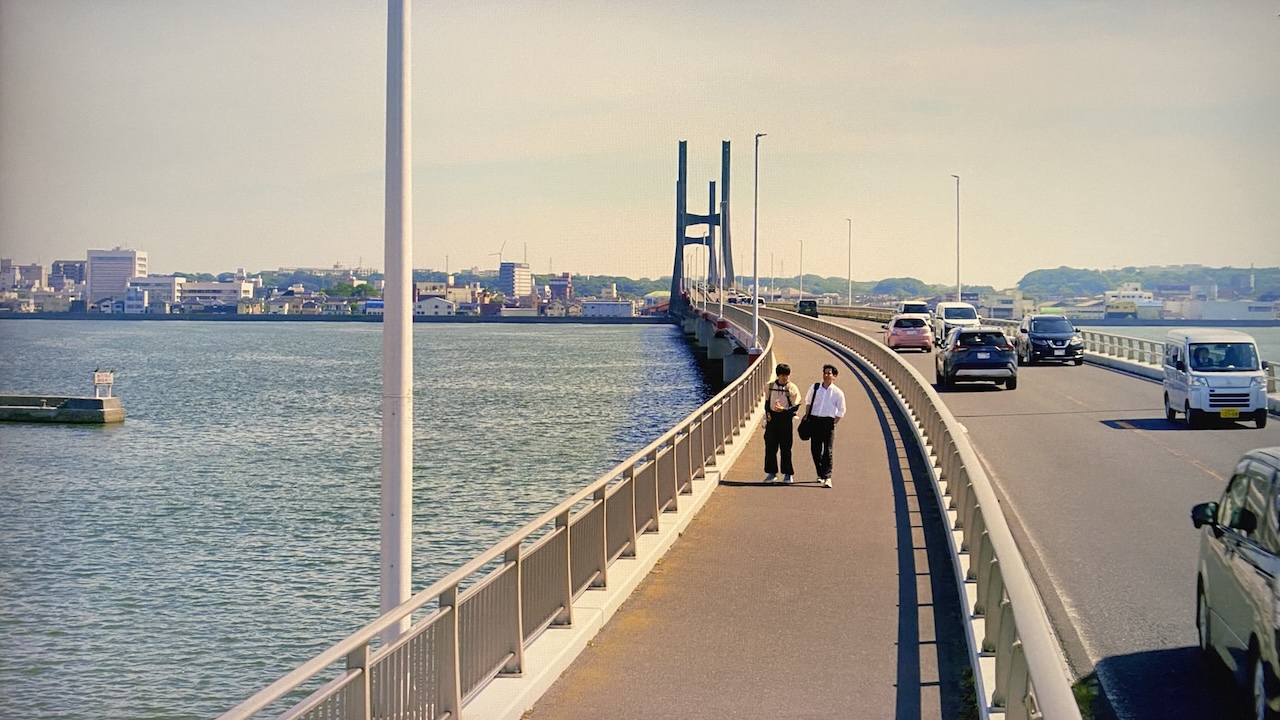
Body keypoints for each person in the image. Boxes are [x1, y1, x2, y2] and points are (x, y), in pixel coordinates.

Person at [803, 363, 847, 488]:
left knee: (827, 450)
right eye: (825, 373)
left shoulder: (838, 392)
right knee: (815, 449)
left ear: (834, 376)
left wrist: (834, 423)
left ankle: (827, 476)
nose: (826, 375)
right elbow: (808, 401)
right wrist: (807, 416)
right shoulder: (815, 387)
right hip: (815, 420)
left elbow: (841, 410)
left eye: (829, 373)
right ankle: (820, 473)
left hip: (828, 422)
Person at [762, 363, 802, 484]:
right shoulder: (769, 386)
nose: (785, 378)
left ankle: (788, 474)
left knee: (786, 447)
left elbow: (796, 406)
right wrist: (768, 413)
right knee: (770, 447)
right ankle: (771, 473)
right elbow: (767, 402)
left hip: (785, 419)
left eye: (787, 375)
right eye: (783, 375)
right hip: (772, 419)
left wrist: (784, 410)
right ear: (778, 375)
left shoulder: (792, 388)